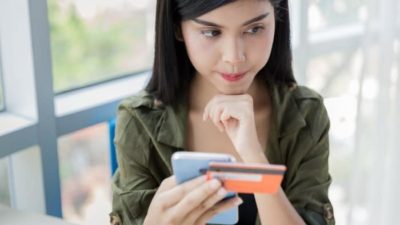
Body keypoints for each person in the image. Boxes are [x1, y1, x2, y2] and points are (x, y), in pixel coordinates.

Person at [110, 0, 335, 224]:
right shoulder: (139, 121)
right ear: (178, 27)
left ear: (277, 18)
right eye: (211, 32)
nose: (234, 57)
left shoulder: (305, 114)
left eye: (254, 29)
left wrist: (255, 158)